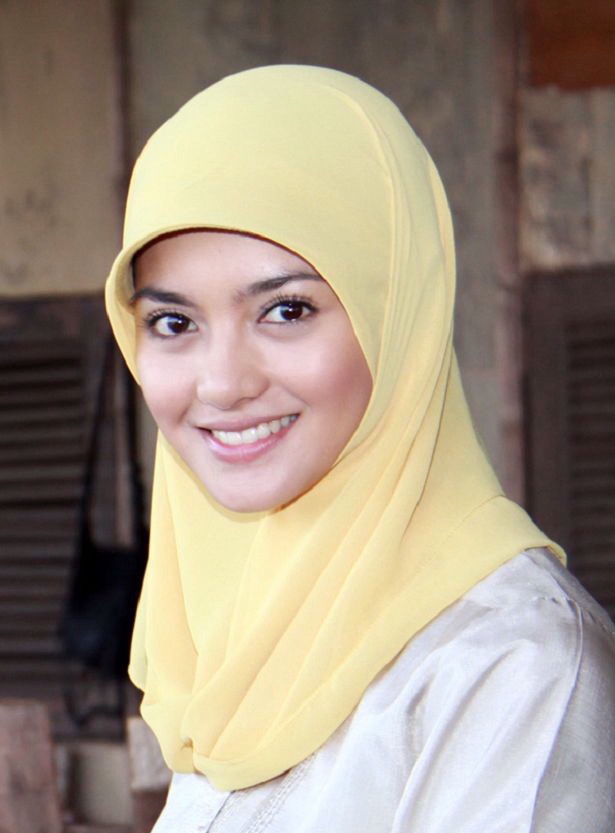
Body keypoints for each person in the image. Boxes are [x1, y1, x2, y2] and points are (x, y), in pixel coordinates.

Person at [105, 65, 615, 832]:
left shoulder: (510, 667)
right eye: (173, 323)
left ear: (397, 315)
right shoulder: (225, 638)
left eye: (286, 310)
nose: (222, 384)